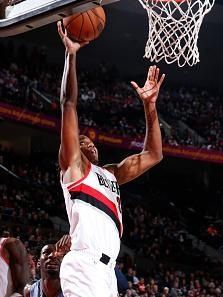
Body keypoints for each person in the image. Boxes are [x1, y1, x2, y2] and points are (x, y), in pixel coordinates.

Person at [57, 20, 164, 297]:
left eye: (91, 141)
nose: (88, 142)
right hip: (84, 265)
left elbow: (153, 154)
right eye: (81, 141)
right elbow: (68, 104)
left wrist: (149, 107)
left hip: (107, 273)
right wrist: (71, 54)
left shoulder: (111, 174)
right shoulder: (73, 167)